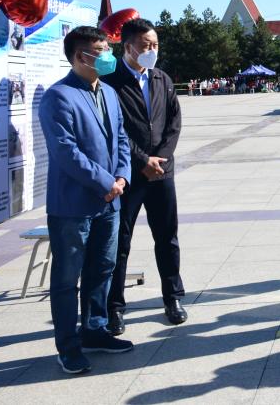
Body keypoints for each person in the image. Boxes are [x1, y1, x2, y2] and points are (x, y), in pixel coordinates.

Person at [38, 26, 133, 374]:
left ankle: (95, 330)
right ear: (81, 56)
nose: (108, 55)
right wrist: (105, 182)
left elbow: (121, 138)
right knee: (67, 279)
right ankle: (68, 346)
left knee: (102, 269)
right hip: (73, 205)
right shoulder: (58, 97)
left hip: (110, 202)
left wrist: (122, 177)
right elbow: (66, 152)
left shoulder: (108, 92)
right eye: (101, 50)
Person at [103, 18, 187, 335]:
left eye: (155, 44)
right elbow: (115, 129)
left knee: (167, 238)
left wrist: (161, 158)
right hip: (128, 174)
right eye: (145, 45)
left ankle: (173, 298)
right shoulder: (111, 82)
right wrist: (141, 160)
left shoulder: (162, 79)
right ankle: (114, 307)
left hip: (162, 173)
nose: (152, 50)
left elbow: (174, 123)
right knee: (119, 242)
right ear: (127, 47)